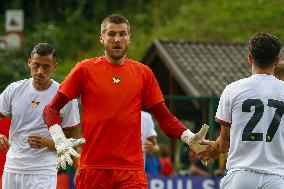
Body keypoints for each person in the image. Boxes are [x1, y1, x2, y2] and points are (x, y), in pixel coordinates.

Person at [43, 14, 209, 189]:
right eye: (111, 34)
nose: (117, 39)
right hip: (94, 170)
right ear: (102, 37)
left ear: (129, 38)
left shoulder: (143, 73)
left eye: (122, 34)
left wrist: (189, 137)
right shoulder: (84, 69)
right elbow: (51, 109)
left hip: (132, 172)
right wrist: (59, 139)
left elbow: (165, 118)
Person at [199, 33, 283, 189]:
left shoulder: (233, 90)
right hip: (276, 177)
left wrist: (215, 148)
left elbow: (224, 143)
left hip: (240, 176)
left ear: (250, 58)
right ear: (277, 61)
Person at [0, 43, 81, 189]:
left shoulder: (65, 96)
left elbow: (74, 140)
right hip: (12, 168)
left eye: (46, 67)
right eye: (36, 65)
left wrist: (49, 143)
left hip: (43, 171)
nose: (39, 71)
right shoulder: (14, 89)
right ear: (29, 62)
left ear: (54, 67)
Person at [141, 111, 161, 177]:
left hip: (137, 174)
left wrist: (152, 148)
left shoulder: (146, 117)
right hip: (111, 170)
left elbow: (156, 147)